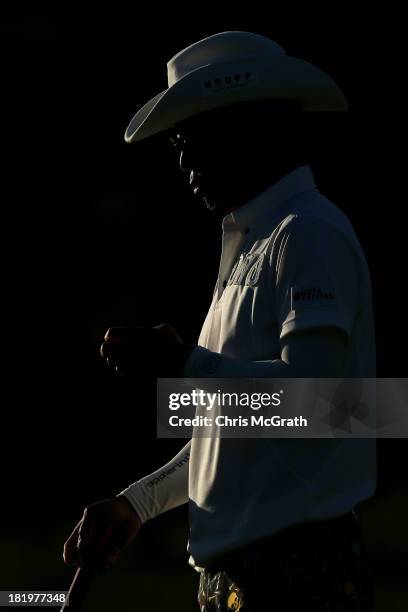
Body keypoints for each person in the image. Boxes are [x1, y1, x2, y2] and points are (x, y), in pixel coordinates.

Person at [64, 32, 377, 611]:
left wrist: (181, 363)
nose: (183, 159)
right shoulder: (255, 243)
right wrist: (139, 502)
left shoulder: (306, 234)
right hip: (241, 580)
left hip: (295, 578)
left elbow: (318, 407)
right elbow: (235, 428)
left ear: (256, 128)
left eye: (197, 137)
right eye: (178, 141)